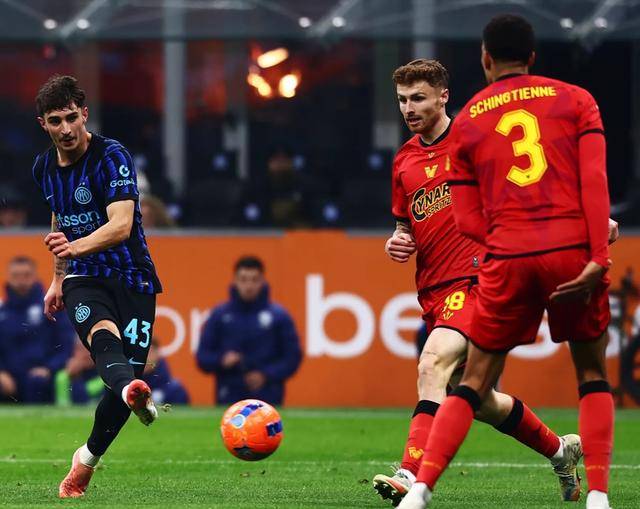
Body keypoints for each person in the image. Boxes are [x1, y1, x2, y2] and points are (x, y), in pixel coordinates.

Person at [398, 15, 614, 509]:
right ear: (533, 57)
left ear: (485, 59)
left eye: (418, 98)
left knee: (448, 372)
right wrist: (597, 246)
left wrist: (500, 243)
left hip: (495, 266)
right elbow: (593, 180)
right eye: (403, 99)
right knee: (584, 375)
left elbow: (469, 217)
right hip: (564, 249)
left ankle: (414, 483)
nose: (409, 108)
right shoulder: (576, 99)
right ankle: (583, 478)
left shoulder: (473, 120)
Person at [32, 75, 163, 498]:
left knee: (126, 377)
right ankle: (131, 390)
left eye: (72, 117)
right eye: (56, 121)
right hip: (84, 277)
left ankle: (85, 459)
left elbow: (121, 226)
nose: (66, 128)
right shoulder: (43, 168)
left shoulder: (112, 156)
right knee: (104, 340)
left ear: (84, 114)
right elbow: (60, 217)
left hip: (133, 276)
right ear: (43, 124)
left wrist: (72, 246)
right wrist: (58, 277)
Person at [196, 256, 302, 406]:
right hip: (228, 395)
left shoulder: (279, 316)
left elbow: (292, 357)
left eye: (254, 279)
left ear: (262, 281)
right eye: (243, 279)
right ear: (235, 281)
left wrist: (266, 374)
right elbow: (202, 357)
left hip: (268, 396)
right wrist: (222, 360)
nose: (249, 286)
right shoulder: (219, 315)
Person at [0, 256, 74, 403]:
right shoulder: (2, 311)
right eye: (16, 276)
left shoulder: (51, 308)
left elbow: (65, 344)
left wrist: (49, 368)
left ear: (34, 276)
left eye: (26, 275)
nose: (21, 281)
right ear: (9, 277)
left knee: (37, 383)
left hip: (42, 376)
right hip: (9, 377)